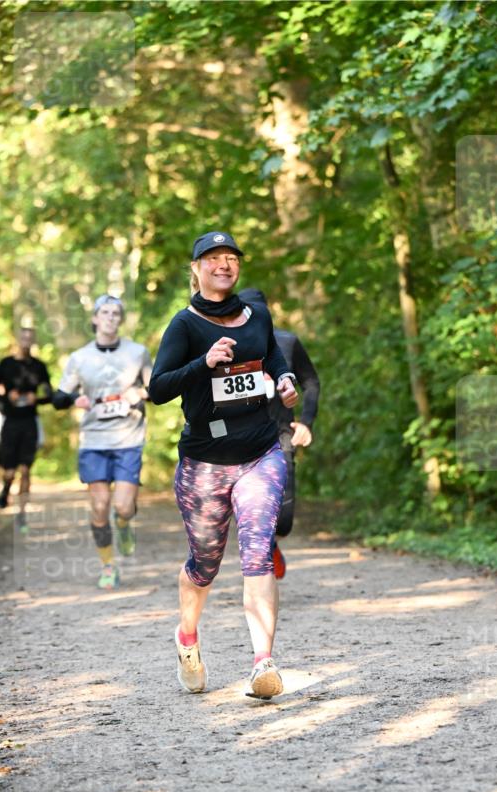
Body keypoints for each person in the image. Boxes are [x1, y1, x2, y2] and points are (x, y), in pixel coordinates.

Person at [149, 230, 298, 700]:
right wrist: (204, 364)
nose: (223, 264)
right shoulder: (184, 325)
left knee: (257, 555)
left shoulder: (258, 315)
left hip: (260, 452)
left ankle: (263, 665)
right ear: (196, 270)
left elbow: (271, 356)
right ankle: (188, 639)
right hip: (205, 462)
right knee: (206, 563)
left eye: (230, 257)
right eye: (212, 258)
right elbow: (157, 389)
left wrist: (286, 379)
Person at [52, 295, 153, 590]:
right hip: (94, 439)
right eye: (105, 313)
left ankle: (124, 524)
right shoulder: (80, 358)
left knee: (122, 507)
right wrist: (74, 398)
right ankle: (108, 566)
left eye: (115, 313)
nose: (110, 317)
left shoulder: (138, 353)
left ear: (120, 319)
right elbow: (58, 397)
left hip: (128, 437)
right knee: (99, 507)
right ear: (95, 319)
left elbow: (158, 387)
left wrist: (142, 394)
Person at [239, 288, 320, 579]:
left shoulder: (287, 342)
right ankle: (259, 562)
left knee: (283, 520)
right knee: (250, 507)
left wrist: (307, 422)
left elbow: (310, 382)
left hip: (281, 433)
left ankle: (271, 542)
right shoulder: (228, 345)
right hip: (241, 437)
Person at [0, 326, 52, 530]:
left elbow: (50, 393)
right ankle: (5, 489)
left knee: (25, 469)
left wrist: (37, 399)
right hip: (10, 422)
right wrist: (7, 399)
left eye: (29, 338)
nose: (26, 341)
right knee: (9, 471)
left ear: (33, 341)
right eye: (23, 337)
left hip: (30, 422)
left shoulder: (39, 367)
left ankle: (22, 515)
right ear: (17, 340)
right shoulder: (6, 365)